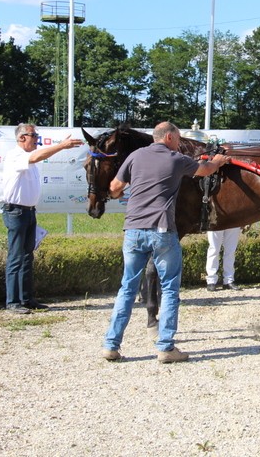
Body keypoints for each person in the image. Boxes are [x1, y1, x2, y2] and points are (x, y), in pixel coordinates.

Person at [102, 122, 228, 363]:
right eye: (178, 138)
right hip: (162, 230)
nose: (179, 142)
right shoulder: (176, 158)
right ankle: (166, 347)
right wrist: (219, 161)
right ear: (169, 137)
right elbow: (205, 169)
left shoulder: (135, 156)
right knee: (170, 289)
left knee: (127, 288)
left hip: (133, 230)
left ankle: (111, 344)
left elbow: (115, 189)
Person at [1, 124, 84, 314]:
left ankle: (27, 299)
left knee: (27, 256)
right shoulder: (16, 155)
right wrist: (62, 146)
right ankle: (13, 302)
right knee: (15, 257)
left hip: (28, 212)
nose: (36, 139)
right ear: (22, 137)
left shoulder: (28, 159)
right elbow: (37, 156)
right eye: (33, 135)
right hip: (16, 212)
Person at [205, 227, 243, 291]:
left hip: (234, 220)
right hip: (216, 219)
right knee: (214, 249)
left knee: (230, 251)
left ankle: (229, 280)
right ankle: (211, 281)